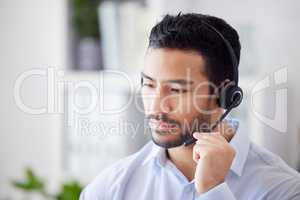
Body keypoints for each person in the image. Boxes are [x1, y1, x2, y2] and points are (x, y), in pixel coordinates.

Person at [80, 13, 300, 200]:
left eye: (176, 90)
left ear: (224, 94)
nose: (157, 106)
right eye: (148, 84)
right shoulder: (108, 190)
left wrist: (214, 190)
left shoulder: (283, 190)